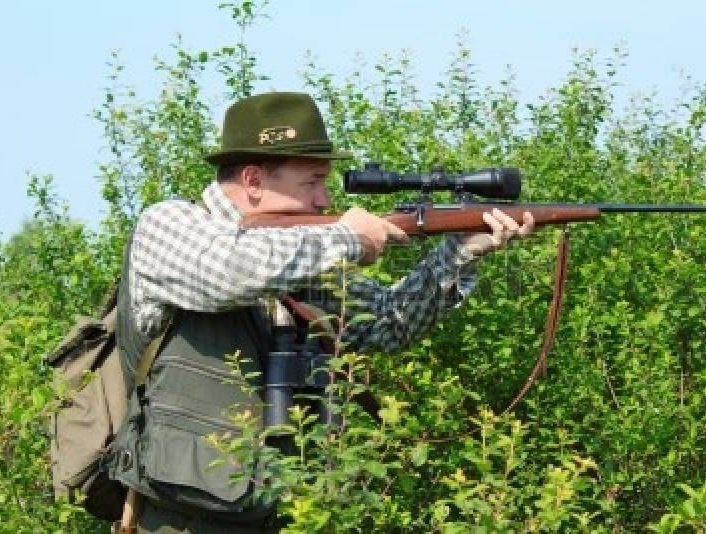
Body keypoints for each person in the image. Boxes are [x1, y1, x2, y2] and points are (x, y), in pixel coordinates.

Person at [106, 92, 534, 533]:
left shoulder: (301, 258)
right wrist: (348, 238)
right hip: (176, 521)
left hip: (288, 515)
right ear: (253, 180)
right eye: (312, 182)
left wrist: (460, 252)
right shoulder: (168, 225)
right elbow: (232, 270)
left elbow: (387, 322)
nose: (324, 199)